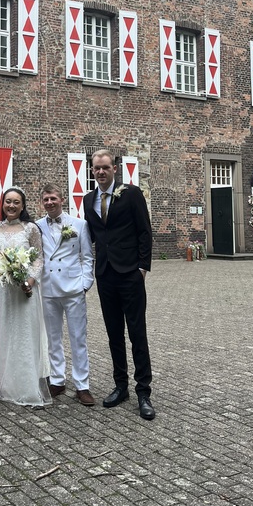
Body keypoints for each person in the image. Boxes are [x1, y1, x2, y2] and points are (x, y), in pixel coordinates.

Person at [83, 150, 155, 420]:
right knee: (114, 333)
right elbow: (91, 236)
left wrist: (142, 268)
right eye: (96, 168)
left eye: (105, 167)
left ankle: (143, 391)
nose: (101, 172)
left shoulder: (132, 194)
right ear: (92, 171)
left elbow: (144, 231)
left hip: (130, 274)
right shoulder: (88, 199)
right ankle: (120, 386)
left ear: (114, 168)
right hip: (105, 274)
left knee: (137, 333)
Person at [0, 187, 52, 407]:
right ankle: (5, 382)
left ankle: (26, 385)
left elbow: (39, 258)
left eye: (16, 202)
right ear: (3, 204)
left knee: (24, 334)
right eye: (8, 201)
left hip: (25, 289)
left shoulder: (30, 228)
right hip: (2, 289)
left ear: (23, 205)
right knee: (3, 331)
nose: (11, 206)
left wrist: (30, 282)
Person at [36, 183, 95, 406]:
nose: (50, 202)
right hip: (48, 288)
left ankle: (82, 385)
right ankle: (57, 379)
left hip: (73, 289)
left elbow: (87, 257)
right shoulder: (37, 226)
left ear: (62, 200)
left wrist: (85, 284)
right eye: (46, 199)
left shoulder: (79, 224)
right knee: (53, 338)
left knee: (78, 338)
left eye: (53, 198)